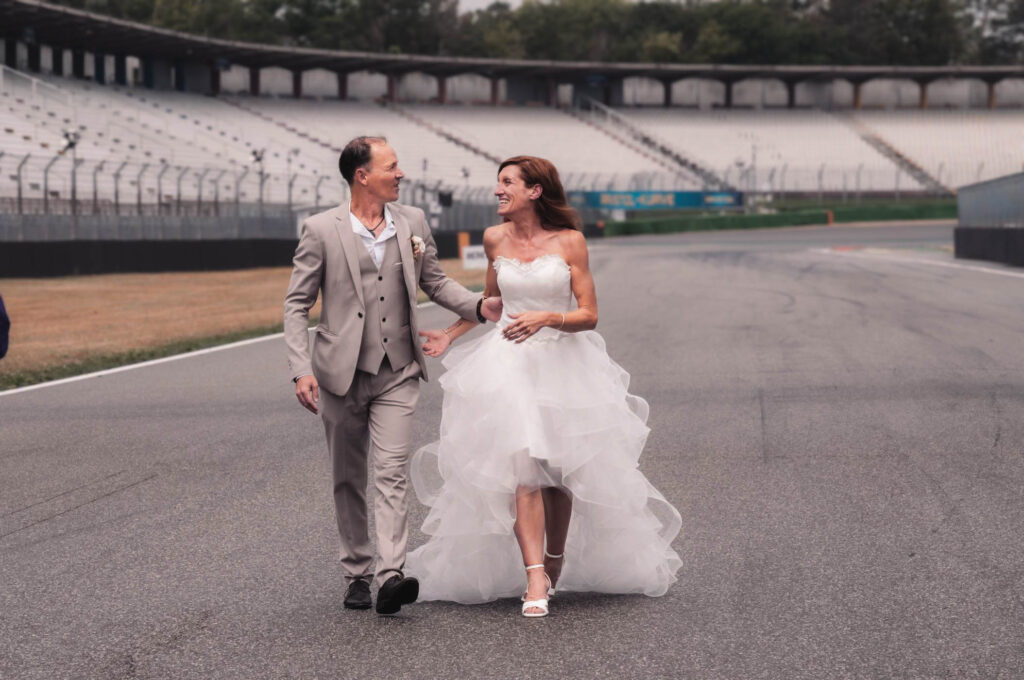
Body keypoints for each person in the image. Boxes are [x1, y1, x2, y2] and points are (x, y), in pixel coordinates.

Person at [407, 156, 682, 617]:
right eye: (498, 182)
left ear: (535, 191)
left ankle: (555, 559)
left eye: (507, 182)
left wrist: (548, 317)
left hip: (564, 364)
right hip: (507, 367)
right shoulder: (494, 239)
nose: (498, 190)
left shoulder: (571, 242)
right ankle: (534, 573)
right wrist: (450, 334)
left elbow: (589, 313)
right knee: (524, 472)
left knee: (558, 475)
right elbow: (491, 305)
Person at [283, 136, 503, 615]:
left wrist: (479, 307)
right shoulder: (321, 229)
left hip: (398, 369)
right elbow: (297, 305)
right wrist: (301, 369)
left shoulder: (413, 223)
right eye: (392, 166)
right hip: (339, 373)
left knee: (390, 472)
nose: (400, 174)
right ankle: (357, 572)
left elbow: (435, 281)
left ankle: (390, 576)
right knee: (347, 477)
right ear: (363, 175)